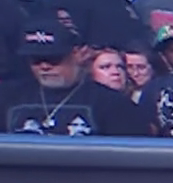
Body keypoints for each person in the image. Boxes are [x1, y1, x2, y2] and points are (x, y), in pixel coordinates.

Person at [0, 17, 149, 136]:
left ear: (77, 54)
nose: (44, 66)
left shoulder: (111, 104)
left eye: (53, 58)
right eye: (36, 60)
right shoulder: (8, 97)